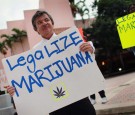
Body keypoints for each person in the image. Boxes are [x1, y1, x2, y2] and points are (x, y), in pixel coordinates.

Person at [5, 10, 96, 115]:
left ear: (52, 23)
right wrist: (17, 89)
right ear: (36, 30)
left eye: (46, 20)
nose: (44, 23)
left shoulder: (70, 41)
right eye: (39, 22)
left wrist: (90, 50)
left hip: (79, 99)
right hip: (56, 106)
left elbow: (88, 64)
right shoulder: (34, 53)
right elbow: (30, 81)